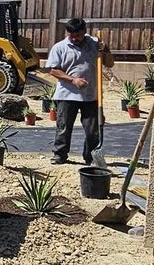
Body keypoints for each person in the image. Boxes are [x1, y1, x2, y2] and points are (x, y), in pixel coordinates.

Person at [45, 17, 113, 165]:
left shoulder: (95, 44)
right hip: (67, 95)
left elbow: (109, 64)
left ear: (84, 32)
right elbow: (52, 70)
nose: (75, 38)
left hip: (91, 95)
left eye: (78, 35)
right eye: (71, 36)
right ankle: (60, 155)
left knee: (93, 129)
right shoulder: (60, 47)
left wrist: (106, 51)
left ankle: (91, 157)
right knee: (64, 127)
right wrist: (73, 80)